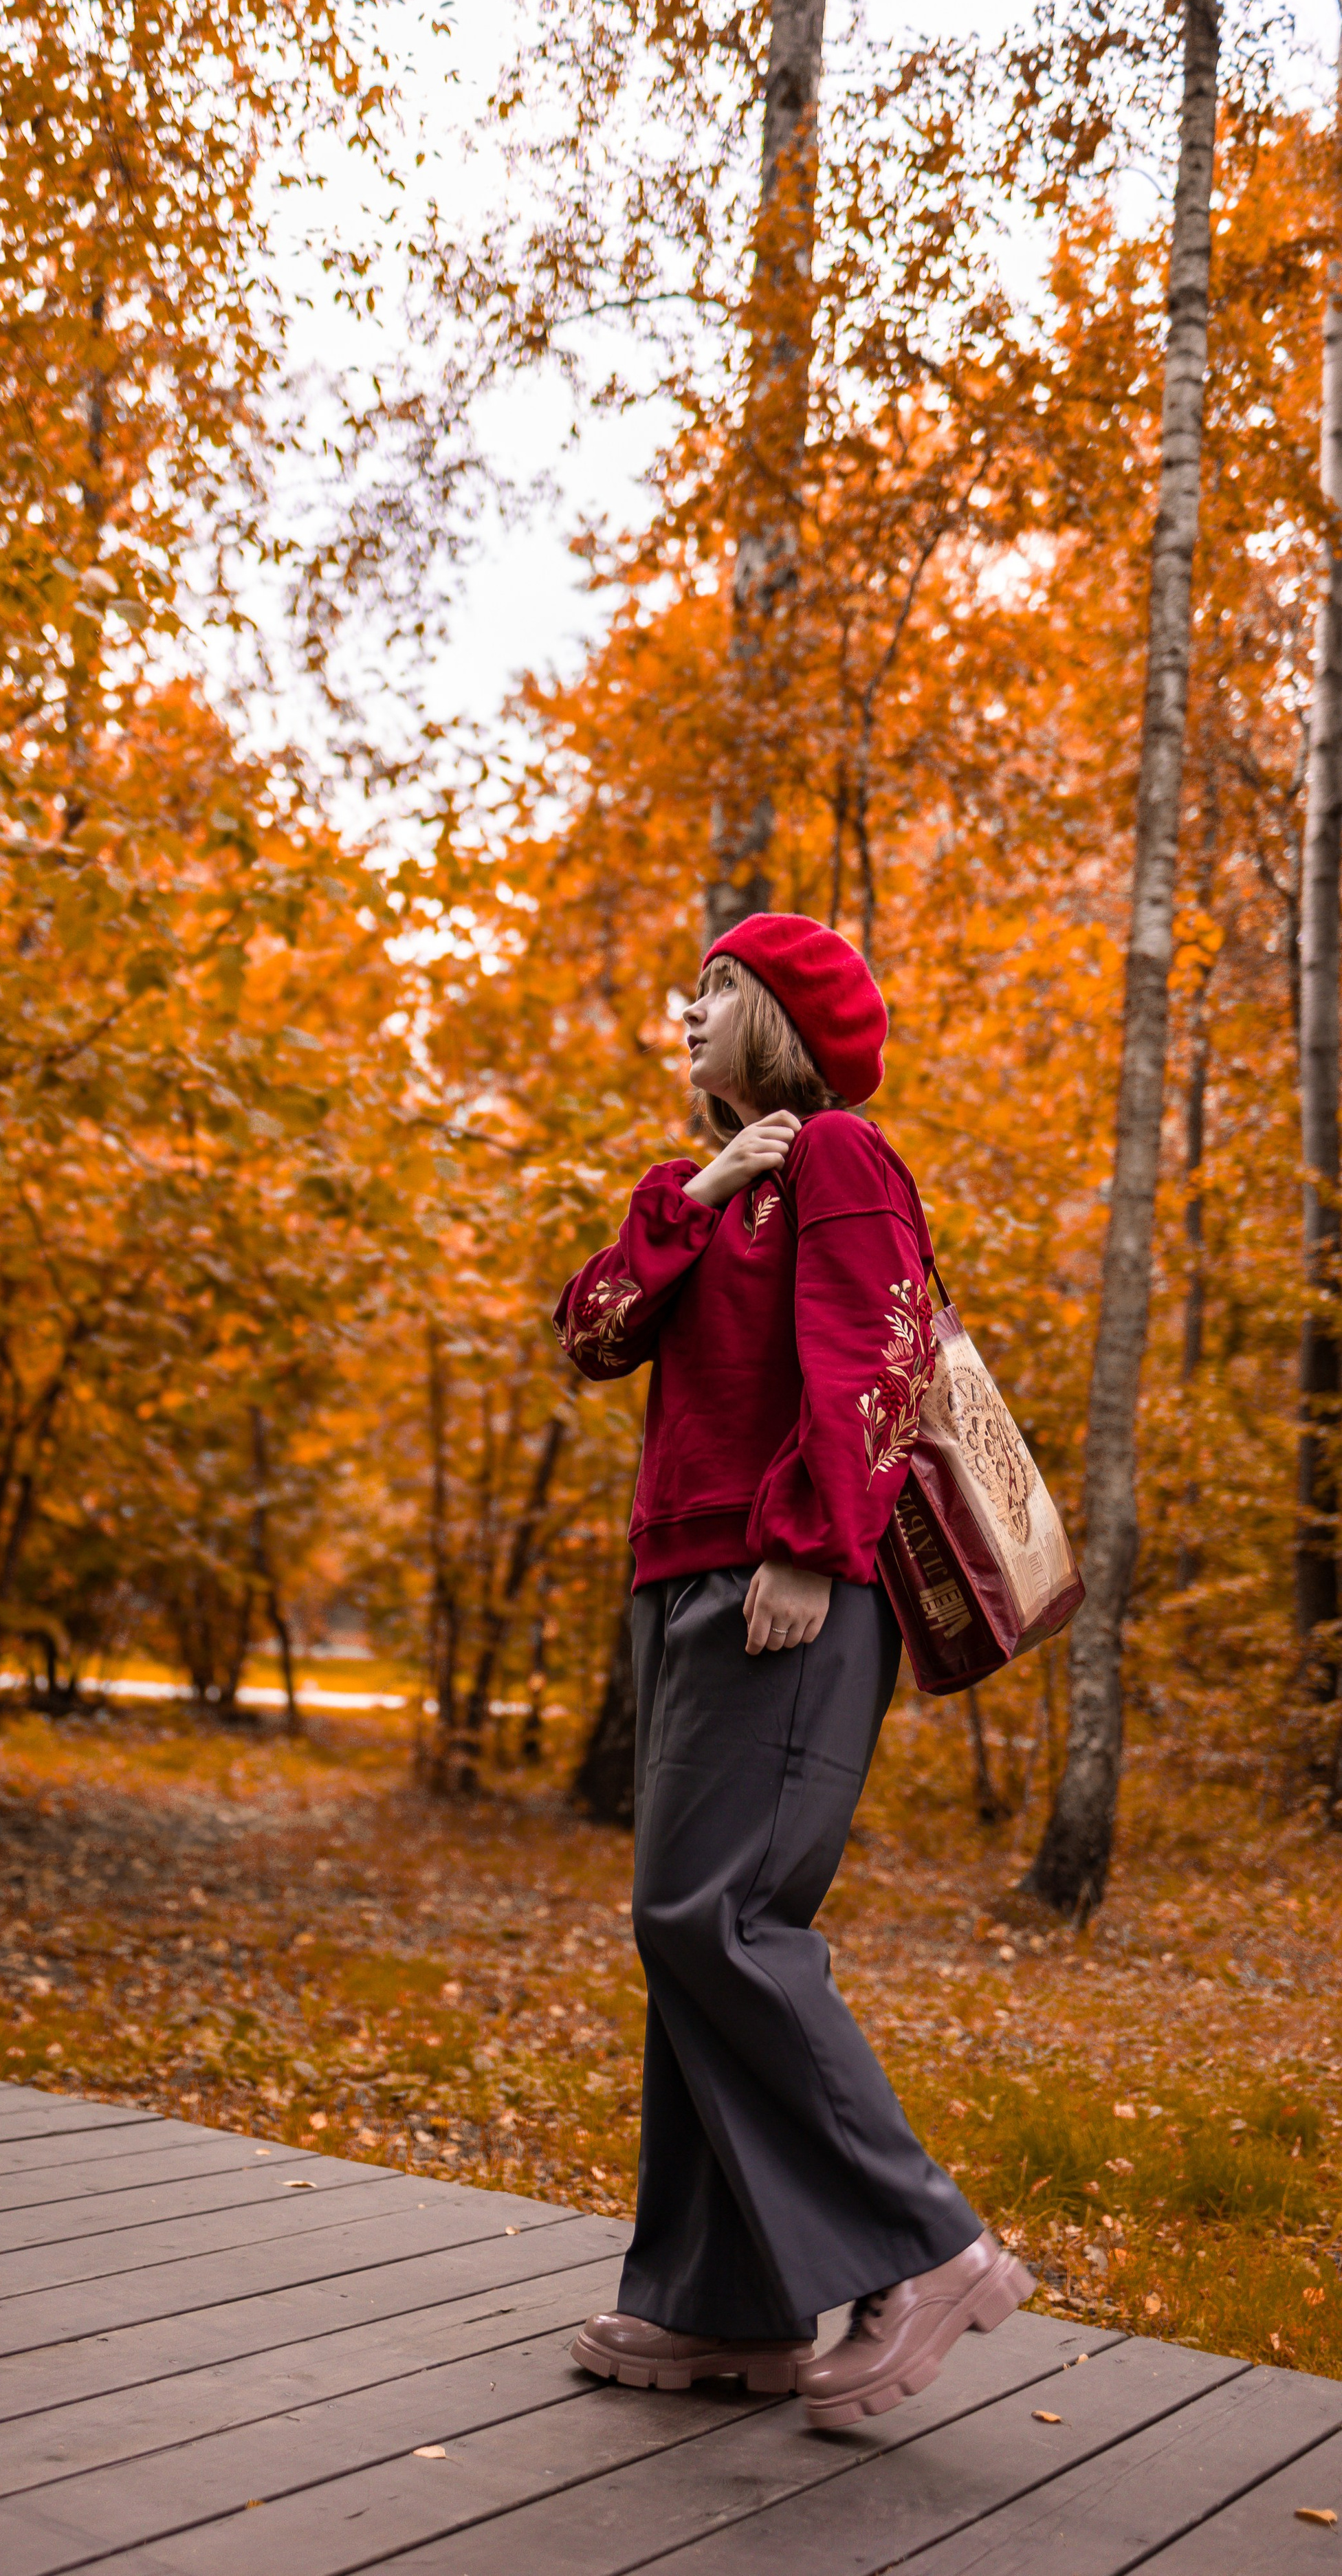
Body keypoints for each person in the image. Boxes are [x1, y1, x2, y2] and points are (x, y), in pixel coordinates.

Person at [553, 912, 1031, 2432]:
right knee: (688, 1937)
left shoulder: (840, 1157)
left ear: (776, 1015)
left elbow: (872, 1359)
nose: (686, 1015)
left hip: (788, 1584)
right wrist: (690, 1197)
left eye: (715, 991)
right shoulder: (714, 1190)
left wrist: (814, 1547)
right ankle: (725, 2306)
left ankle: (927, 2250)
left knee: (719, 1919)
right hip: (684, 1586)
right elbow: (591, 1334)